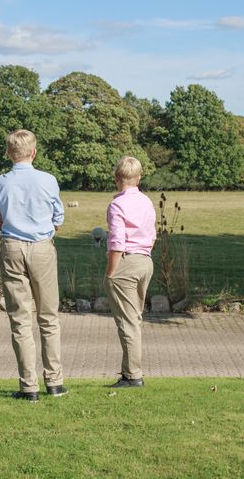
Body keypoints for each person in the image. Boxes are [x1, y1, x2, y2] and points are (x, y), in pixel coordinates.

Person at [0, 129, 66, 402]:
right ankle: (55, 381)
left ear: (9, 153)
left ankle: (29, 385)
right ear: (33, 152)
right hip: (42, 248)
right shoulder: (48, 180)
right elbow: (59, 216)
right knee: (48, 317)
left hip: (12, 247)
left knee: (20, 319)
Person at [104, 156, 156, 388]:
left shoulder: (117, 205)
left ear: (116, 178)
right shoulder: (147, 201)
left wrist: (110, 272)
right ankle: (130, 372)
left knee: (127, 322)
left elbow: (117, 241)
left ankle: (133, 375)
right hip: (145, 261)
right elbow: (151, 233)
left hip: (126, 262)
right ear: (139, 178)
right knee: (134, 319)